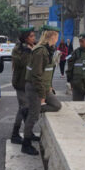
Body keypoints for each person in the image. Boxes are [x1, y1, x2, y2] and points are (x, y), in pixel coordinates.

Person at [22, 25, 62, 156]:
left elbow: (48, 72)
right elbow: (36, 75)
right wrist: (42, 94)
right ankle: (26, 144)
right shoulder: (41, 51)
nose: (57, 38)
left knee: (56, 105)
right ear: (52, 36)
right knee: (33, 116)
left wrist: (48, 86)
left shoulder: (50, 50)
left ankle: (30, 109)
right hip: (35, 87)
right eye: (56, 35)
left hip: (43, 86)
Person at [10, 27, 36, 144]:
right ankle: (15, 134)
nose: (34, 38)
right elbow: (21, 63)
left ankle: (28, 132)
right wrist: (27, 51)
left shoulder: (35, 48)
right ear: (26, 38)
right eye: (31, 36)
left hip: (30, 83)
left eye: (34, 36)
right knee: (23, 108)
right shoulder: (17, 49)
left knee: (27, 108)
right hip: (20, 83)